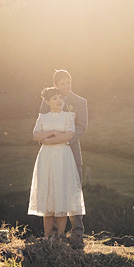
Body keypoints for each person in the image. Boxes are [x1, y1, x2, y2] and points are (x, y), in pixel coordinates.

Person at [28, 87, 85, 239]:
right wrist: (51, 133)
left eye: (60, 97)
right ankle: (47, 236)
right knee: (47, 193)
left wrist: (48, 140)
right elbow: (35, 135)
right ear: (47, 102)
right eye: (54, 98)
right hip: (46, 158)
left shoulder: (68, 116)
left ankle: (60, 235)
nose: (58, 100)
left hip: (62, 157)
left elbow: (68, 135)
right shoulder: (42, 117)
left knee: (61, 193)